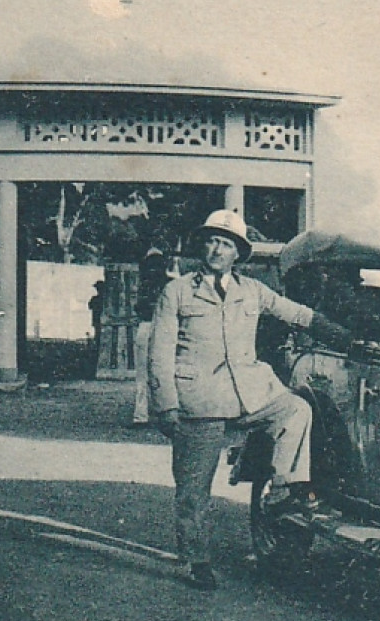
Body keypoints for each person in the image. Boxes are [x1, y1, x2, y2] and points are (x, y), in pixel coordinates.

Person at [148, 210, 349, 590]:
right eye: (211, 241)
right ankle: (196, 559)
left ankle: (284, 490)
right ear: (202, 246)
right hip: (199, 399)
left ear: (239, 253)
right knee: (194, 487)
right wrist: (165, 404)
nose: (217, 249)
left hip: (249, 393)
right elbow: (159, 352)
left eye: (226, 243)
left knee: (297, 409)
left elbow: (293, 312)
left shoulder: (251, 290)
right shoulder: (176, 291)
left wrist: (336, 332)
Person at [129, 248, 170, 428]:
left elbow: (139, 307)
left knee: (142, 376)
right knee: (166, 373)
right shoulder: (171, 284)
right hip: (165, 329)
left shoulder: (143, 284)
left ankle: (141, 416)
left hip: (146, 326)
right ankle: (167, 413)